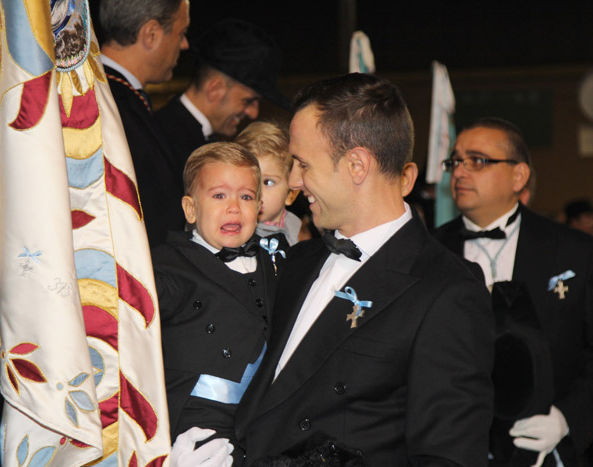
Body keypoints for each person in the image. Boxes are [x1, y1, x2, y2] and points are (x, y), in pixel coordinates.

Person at [235, 73, 495, 466]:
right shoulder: (298, 262)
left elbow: (446, 457)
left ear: (357, 165)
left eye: (302, 164)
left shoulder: (447, 292)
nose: (293, 181)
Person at [434, 117, 593, 466]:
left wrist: (568, 418)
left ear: (519, 176)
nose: (459, 172)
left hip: (548, 450)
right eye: (455, 161)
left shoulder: (574, 252)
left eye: (477, 161)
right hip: (452, 448)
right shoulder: (429, 252)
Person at [152, 143, 285, 463]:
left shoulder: (278, 262)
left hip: (262, 420)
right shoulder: (166, 267)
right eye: (219, 195)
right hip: (194, 422)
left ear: (260, 207)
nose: (234, 208)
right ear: (190, 209)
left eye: (246, 197)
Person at [99, 0, 189, 247]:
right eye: (181, 33)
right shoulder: (106, 102)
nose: (185, 44)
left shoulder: (115, 94)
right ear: (151, 34)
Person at [154, 18, 289, 175]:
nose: (253, 113)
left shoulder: (171, 135)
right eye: (248, 100)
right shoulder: (161, 144)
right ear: (215, 89)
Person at [236, 121, 301, 247]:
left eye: (268, 182)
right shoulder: (233, 232)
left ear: (290, 194)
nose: (256, 191)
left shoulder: (293, 228)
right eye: (246, 181)